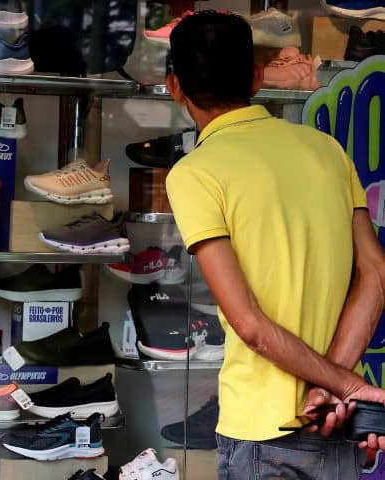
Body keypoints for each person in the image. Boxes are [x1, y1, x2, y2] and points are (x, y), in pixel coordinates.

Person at [164, 10, 385, 479]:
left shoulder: (195, 173)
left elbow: (251, 326)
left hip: (262, 430)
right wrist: (334, 385)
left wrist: (342, 385)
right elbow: (376, 273)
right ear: (258, 76)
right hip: (330, 419)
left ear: (174, 87)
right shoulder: (326, 150)